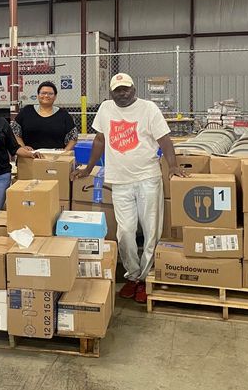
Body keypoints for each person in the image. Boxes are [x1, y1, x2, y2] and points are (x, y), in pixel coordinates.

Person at [72, 73, 184, 305]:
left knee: (151, 230)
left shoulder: (149, 108)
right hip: (119, 181)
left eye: (126, 89)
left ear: (134, 89)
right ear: (111, 93)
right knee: (125, 232)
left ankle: (144, 279)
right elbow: (100, 140)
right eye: (117, 91)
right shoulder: (105, 109)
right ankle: (133, 276)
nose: (122, 94)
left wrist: (172, 166)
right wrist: (88, 168)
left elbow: (164, 140)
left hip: (147, 178)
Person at [12, 81, 78, 151]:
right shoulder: (26, 111)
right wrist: (23, 148)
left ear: (55, 96)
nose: (46, 96)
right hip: (29, 156)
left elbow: (73, 137)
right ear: (38, 95)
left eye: (50, 94)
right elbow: (15, 132)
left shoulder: (64, 115)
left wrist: (65, 152)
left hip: (56, 158)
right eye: (43, 93)